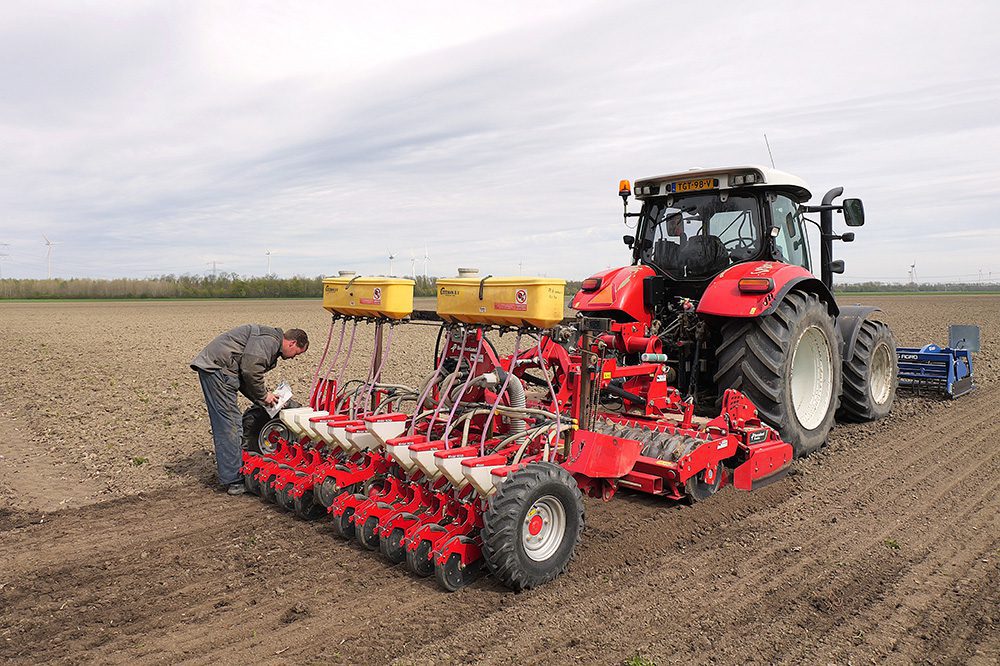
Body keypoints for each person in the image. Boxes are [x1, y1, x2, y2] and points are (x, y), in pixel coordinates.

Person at [191, 325, 309, 495]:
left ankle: (234, 471)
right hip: (218, 370)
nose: (293, 358)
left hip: (220, 368)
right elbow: (250, 370)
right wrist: (264, 396)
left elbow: (245, 377)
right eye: (296, 353)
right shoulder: (269, 341)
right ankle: (234, 480)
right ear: (292, 343)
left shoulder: (270, 341)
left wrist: (263, 401)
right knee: (230, 425)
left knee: (229, 423)